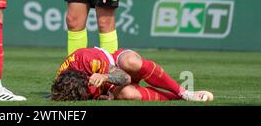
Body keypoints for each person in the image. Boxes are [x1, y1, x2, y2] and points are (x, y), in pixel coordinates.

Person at [51, 47, 214, 102]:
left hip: (117, 64)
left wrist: (105, 77)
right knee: (128, 93)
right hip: (110, 87)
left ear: (85, 76)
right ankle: (177, 99)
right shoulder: (66, 85)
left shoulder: (88, 61)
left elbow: (126, 78)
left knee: (132, 63)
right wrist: (102, 95)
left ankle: (184, 92)